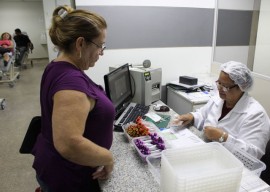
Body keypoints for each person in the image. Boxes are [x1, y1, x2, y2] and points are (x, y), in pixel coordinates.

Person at [31, 5, 115, 192]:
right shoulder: (71, 82)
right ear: (80, 44)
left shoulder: (57, 66)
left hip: (55, 167)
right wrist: (107, 157)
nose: (101, 52)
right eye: (100, 45)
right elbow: (69, 144)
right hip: (70, 178)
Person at [174, 61, 270, 159]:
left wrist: (223, 137)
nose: (220, 88)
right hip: (209, 153)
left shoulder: (256, 115)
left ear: (242, 87)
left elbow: (252, 156)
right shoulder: (219, 98)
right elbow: (203, 115)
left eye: (225, 86)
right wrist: (192, 117)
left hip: (232, 164)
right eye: (219, 83)